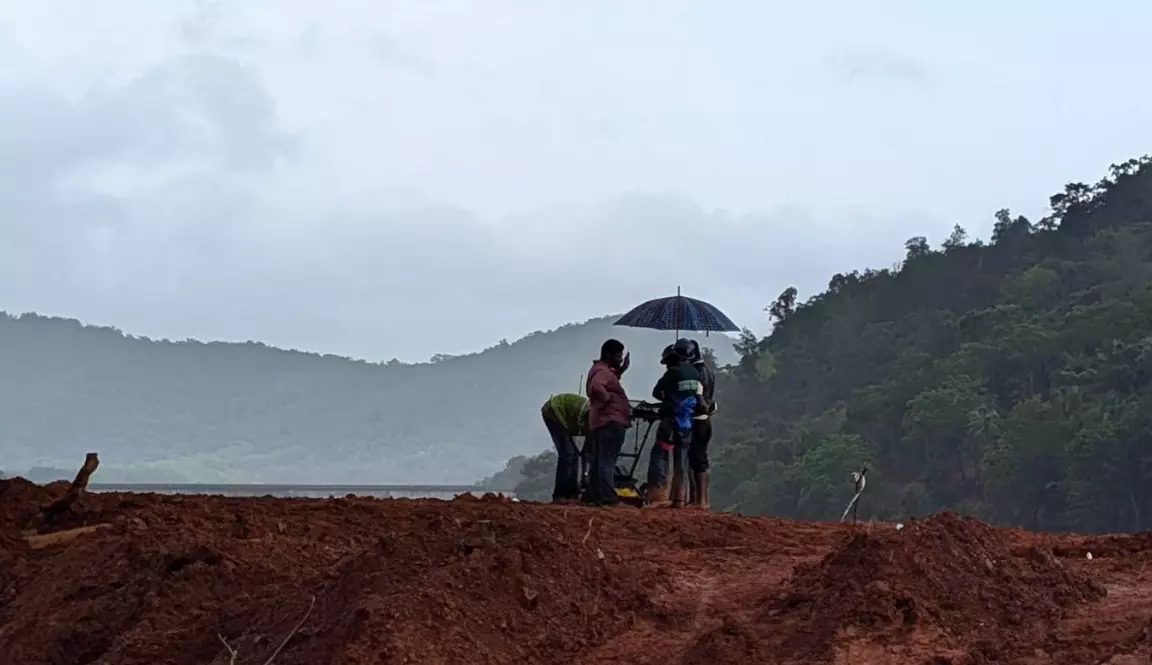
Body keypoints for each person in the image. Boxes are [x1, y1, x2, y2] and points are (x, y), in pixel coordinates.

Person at [646, 338, 700, 508]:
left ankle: (658, 496)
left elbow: (656, 392)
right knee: (681, 460)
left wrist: (668, 398)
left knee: (660, 454)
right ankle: (679, 499)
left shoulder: (672, 373)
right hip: (686, 424)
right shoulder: (694, 372)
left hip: (670, 422)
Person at [583, 339, 631, 506]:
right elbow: (597, 387)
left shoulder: (601, 370)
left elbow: (604, 381)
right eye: (618, 356)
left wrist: (621, 370)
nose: (620, 359)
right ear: (608, 355)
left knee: (599, 460)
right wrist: (607, 399)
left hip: (601, 421)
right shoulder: (602, 372)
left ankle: (594, 496)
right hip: (610, 420)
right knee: (607, 460)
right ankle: (608, 498)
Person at [541, 392, 589, 503]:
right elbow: (587, 452)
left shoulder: (593, 423)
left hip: (567, 419)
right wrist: (585, 477)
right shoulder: (591, 418)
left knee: (575, 454)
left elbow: (585, 452)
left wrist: (585, 475)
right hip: (553, 410)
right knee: (567, 453)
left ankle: (572, 492)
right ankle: (560, 494)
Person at [687, 339, 717, 509]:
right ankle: (702, 499)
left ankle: (699, 500)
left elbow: (699, 399)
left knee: (696, 460)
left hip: (697, 420)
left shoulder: (695, 374)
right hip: (706, 422)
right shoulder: (709, 372)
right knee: (701, 458)